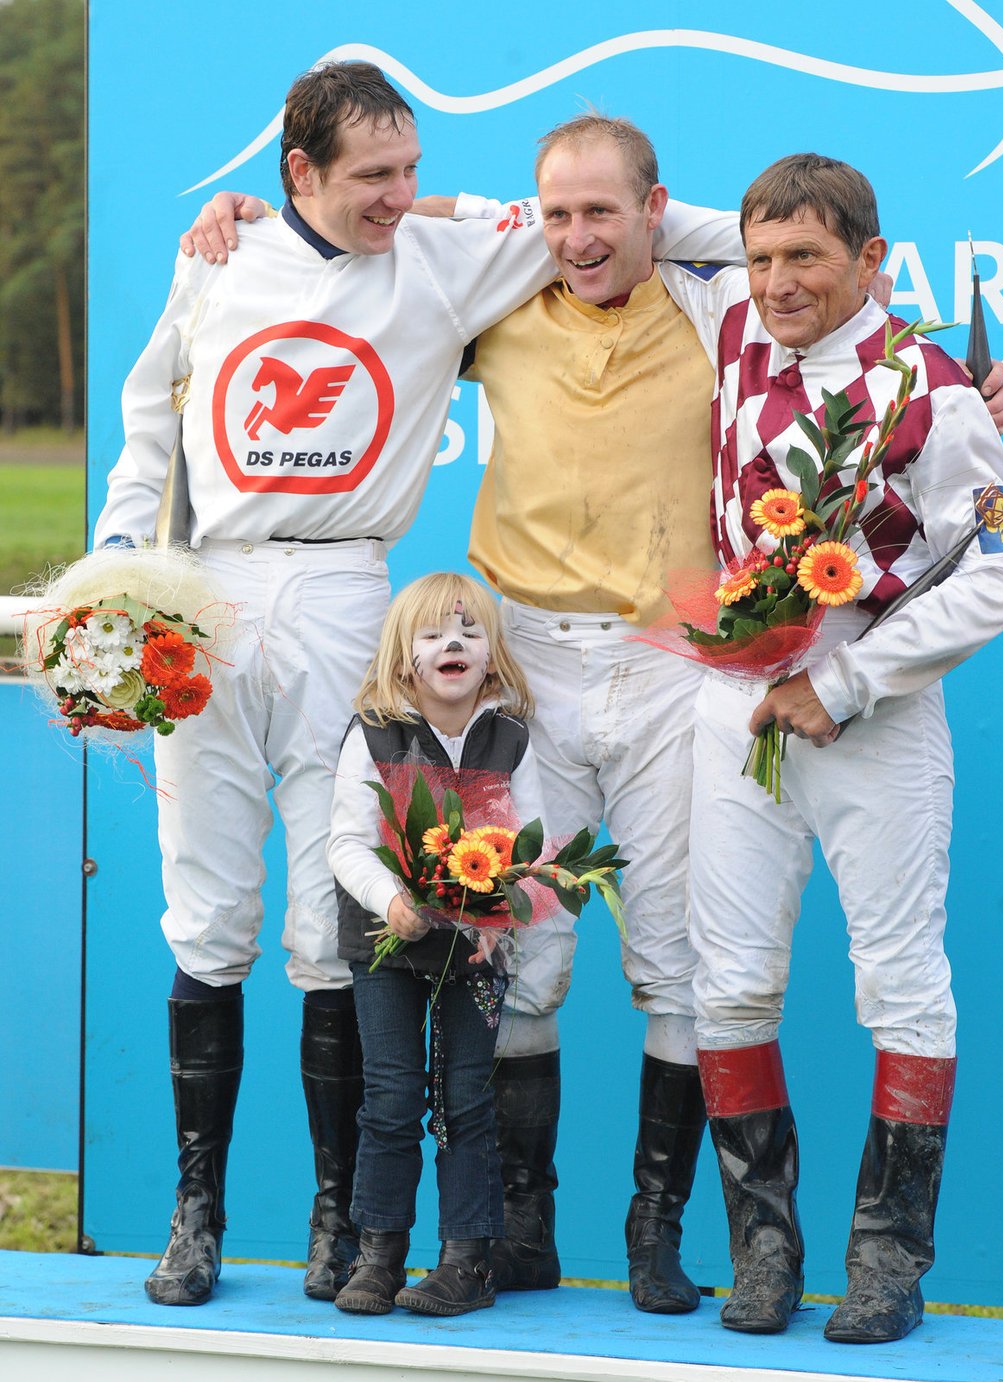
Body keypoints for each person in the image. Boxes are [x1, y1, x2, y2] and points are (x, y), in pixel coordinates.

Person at [191, 117, 1003, 1317]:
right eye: (555, 215)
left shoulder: (729, 310)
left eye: (606, 215)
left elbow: (786, 280)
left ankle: (707, 1238)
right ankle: (530, 1232)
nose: (578, 237)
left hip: (700, 676)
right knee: (541, 945)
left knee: (713, 965)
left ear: (656, 213)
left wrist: (950, 394)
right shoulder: (575, 298)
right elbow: (437, 237)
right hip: (551, 669)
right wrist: (267, 218)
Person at [95, 58, 582, 1309]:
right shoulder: (216, 255)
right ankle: (195, 1212)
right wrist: (115, 567)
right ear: (296, 172)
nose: (399, 193)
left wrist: (438, 209)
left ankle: (334, 1218)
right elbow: (153, 413)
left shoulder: (443, 254)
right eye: (375, 175)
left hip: (348, 591)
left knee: (331, 916)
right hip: (206, 590)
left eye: (413, 169)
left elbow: (627, 224)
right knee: (206, 906)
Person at [669, 153, 1003, 1343]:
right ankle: (762, 1249)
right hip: (735, 709)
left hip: (869, 716)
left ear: (872, 260)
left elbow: (995, 582)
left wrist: (846, 678)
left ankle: (888, 1262)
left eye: (807, 257)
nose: (776, 281)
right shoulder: (732, 327)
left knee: (902, 979)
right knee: (728, 977)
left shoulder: (938, 388)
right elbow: (606, 210)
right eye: (761, 258)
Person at [327, 572, 545, 1317]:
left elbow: (534, 849)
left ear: (491, 656)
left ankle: (466, 1262)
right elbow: (346, 843)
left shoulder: (510, 737)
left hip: (476, 951)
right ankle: (378, 1255)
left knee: (465, 1103)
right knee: (389, 1099)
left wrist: (500, 918)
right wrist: (393, 900)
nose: (452, 643)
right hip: (387, 943)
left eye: (469, 632)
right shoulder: (374, 731)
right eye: (432, 634)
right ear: (403, 656)